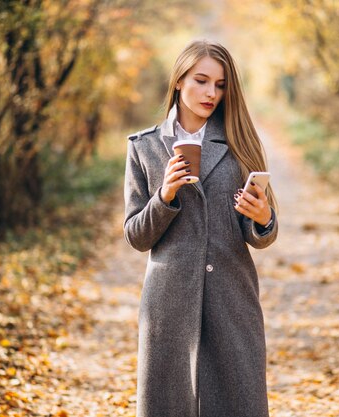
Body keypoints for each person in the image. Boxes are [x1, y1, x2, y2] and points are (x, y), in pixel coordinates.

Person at [123, 39, 278, 417]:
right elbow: (136, 235)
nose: (211, 93)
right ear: (179, 80)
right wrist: (165, 195)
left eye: (220, 85)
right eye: (202, 80)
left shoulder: (241, 143)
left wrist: (262, 218)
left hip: (231, 299)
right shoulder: (144, 147)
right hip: (168, 306)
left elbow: (263, 232)